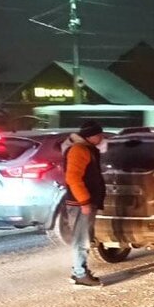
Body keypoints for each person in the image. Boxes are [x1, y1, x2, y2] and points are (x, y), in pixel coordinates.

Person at [63, 121, 107, 286]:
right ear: (91, 136)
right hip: (80, 203)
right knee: (82, 239)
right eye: (99, 135)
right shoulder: (79, 150)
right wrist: (85, 201)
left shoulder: (86, 149)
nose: (101, 138)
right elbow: (73, 177)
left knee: (83, 238)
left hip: (82, 202)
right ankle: (80, 274)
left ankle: (79, 271)